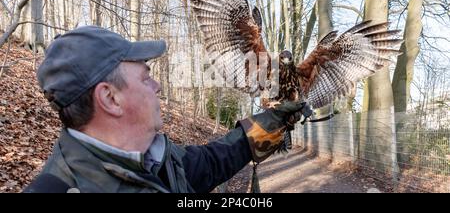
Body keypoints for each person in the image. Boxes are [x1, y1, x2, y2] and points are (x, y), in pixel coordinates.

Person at [23, 26, 311, 193]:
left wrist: (273, 121)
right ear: (110, 98)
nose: (158, 86)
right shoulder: (59, 189)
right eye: (145, 77)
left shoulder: (154, 158)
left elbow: (211, 163)